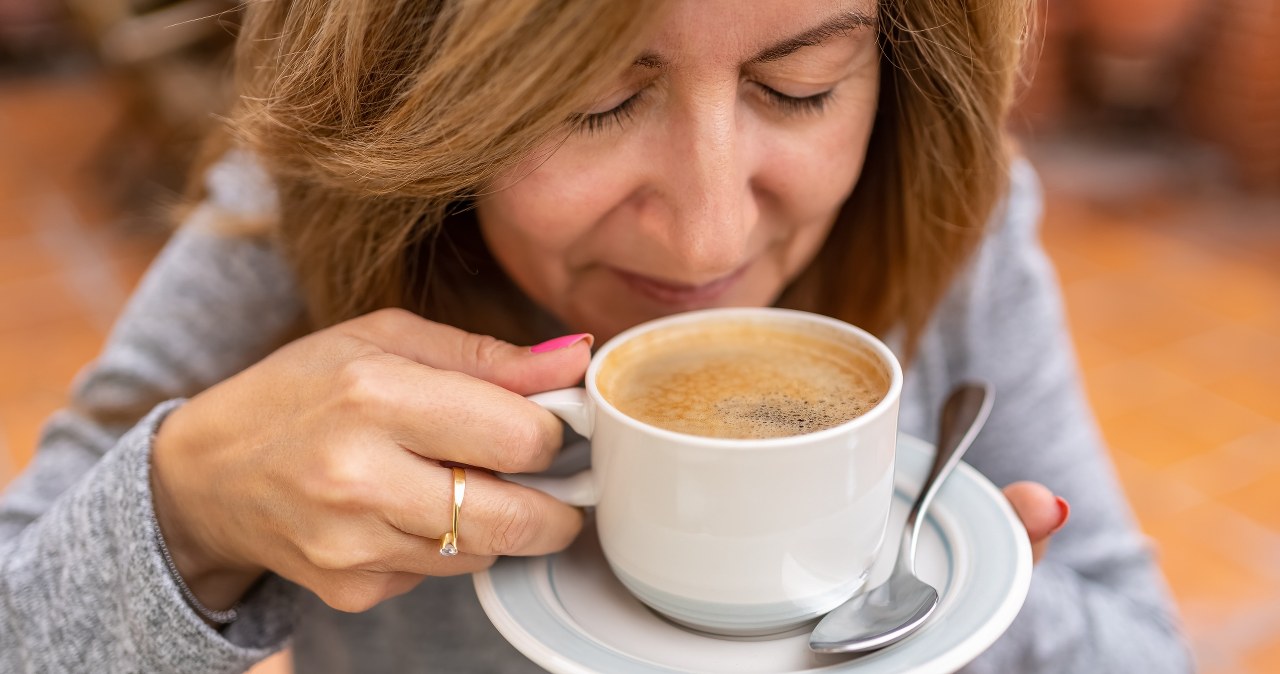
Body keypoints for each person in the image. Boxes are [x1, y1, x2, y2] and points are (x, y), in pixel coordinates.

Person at [0, 0, 1193, 672]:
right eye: (592, 105)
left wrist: (952, 607)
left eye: (801, 85)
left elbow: (1142, 646)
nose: (708, 232)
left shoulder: (950, 214)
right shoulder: (290, 227)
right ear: (414, 97)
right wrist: (187, 512)